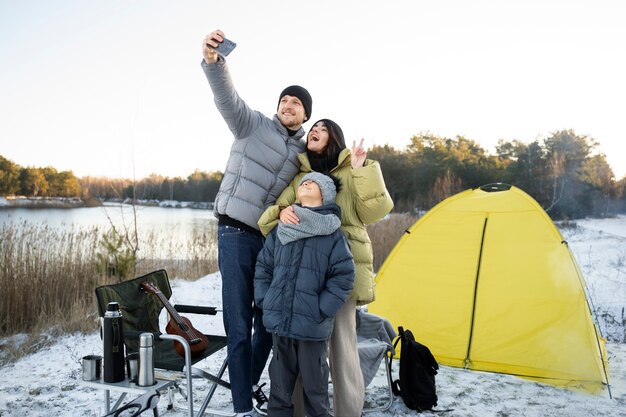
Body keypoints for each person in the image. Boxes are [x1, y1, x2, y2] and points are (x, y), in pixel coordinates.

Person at [201, 29, 313, 417]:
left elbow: (331, 167)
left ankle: (246, 382)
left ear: (305, 116)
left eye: (296, 103)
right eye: (285, 99)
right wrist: (215, 61)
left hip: (268, 242)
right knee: (238, 320)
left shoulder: (304, 153)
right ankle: (242, 408)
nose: (288, 105)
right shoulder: (252, 125)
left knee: (267, 320)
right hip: (234, 232)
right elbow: (225, 97)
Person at [258, 119, 394, 417]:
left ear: (333, 135)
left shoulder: (352, 170)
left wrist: (361, 170)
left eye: (321, 126)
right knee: (294, 353)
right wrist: (282, 212)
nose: (314, 130)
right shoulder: (301, 178)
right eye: (313, 127)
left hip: (339, 270)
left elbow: (378, 210)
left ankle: (348, 412)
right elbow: (270, 220)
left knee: (343, 349)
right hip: (300, 277)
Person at [254, 172, 355, 417]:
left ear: (326, 193)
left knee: (316, 393)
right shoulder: (282, 229)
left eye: (313, 182)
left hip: (312, 327)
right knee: (278, 392)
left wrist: (320, 309)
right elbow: (263, 268)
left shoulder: (332, 235)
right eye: (303, 182)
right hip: (280, 323)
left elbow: (343, 277)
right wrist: (267, 300)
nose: (305, 183)